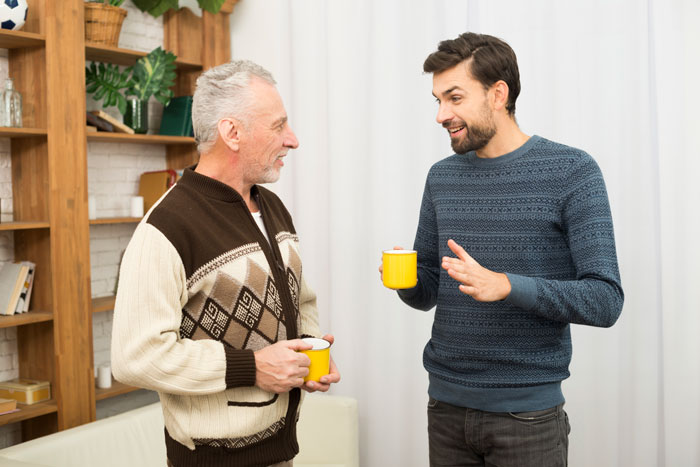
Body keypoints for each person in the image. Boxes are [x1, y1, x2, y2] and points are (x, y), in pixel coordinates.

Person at [380, 32, 623, 466]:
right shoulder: (442, 177)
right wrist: (408, 280)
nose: (440, 114)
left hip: (526, 418)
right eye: (436, 100)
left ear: (498, 93)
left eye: (454, 98)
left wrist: (507, 285)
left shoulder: (572, 171)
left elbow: (605, 300)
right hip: (445, 409)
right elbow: (430, 293)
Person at [111, 60, 340, 467]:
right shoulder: (165, 228)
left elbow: (301, 299)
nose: (293, 140)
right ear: (232, 133)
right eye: (278, 125)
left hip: (280, 452)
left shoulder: (272, 207)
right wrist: (251, 368)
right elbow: (135, 357)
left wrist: (307, 352)